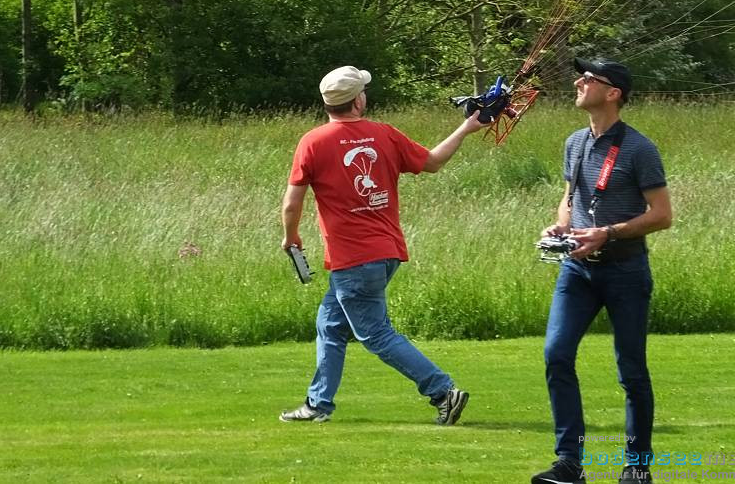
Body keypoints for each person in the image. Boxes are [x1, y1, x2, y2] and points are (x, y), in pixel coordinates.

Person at [279, 65, 486, 425]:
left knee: (375, 334)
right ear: (358, 100)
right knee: (330, 324)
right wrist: (467, 127)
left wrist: (291, 236)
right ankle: (317, 404)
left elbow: (291, 203)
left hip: (352, 259)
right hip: (386, 252)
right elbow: (433, 162)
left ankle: (442, 391)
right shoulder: (384, 134)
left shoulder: (312, 142)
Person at [532, 58, 673, 484]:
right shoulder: (575, 142)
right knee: (556, 355)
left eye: (589, 78)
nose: (579, 81)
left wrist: (608, 233)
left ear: (613, 94)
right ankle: (569, 464)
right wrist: (561, 224)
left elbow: (663, 215)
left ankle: (638, 467)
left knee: (630, 370)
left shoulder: (639, 149)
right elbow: (570, 197)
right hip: (577, 272)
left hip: (625, 270)